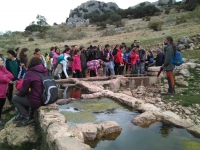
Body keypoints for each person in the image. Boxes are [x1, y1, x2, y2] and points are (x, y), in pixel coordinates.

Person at [12, 57, 49, 126]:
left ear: (30, 63)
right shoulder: (46, 71)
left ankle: (27, 117)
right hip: (46, 98)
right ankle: (26, 114)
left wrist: (18, 93)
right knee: (27, 95)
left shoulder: (30, 73)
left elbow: (24, 89)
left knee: (15, 99)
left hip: (37, 100)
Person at [0, 56, 14, 128]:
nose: (2, 61)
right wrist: (7, 79)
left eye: (2, 60)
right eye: (1, 60)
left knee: (1, 106)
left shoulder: (2, 69)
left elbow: (11, 75)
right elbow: (3, 79)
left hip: (3, 92)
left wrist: (5, 74)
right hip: (0, 92)